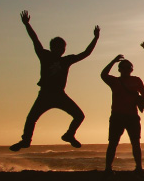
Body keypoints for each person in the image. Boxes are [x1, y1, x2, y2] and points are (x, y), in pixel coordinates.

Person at [10, 10, 99, 151]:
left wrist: (95, 38)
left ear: (64, 49)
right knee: (31, 118)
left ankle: (69, 135)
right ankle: (26, 140)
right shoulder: (44, 55)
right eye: (56, 47)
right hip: (45, 94)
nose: (59, 50)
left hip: (59, 95)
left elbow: (86, 53)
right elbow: (35, 40)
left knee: (79, 115)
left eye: (62, 47)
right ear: (52, 48)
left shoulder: (67, 60)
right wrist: (27, 25)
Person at [101, 55, 144, 174]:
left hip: (132, 116)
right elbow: (103, 75)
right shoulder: (115, 81)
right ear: (119, 69)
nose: (126, 70)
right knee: (113, 143)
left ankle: (138, 167)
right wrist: (113, 61)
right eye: (124, 68)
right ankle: (108, 168)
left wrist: (142, 103)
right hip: (117, 115)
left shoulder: (136, 80)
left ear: (131, 69)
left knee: (135, 142)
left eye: (128, 68)